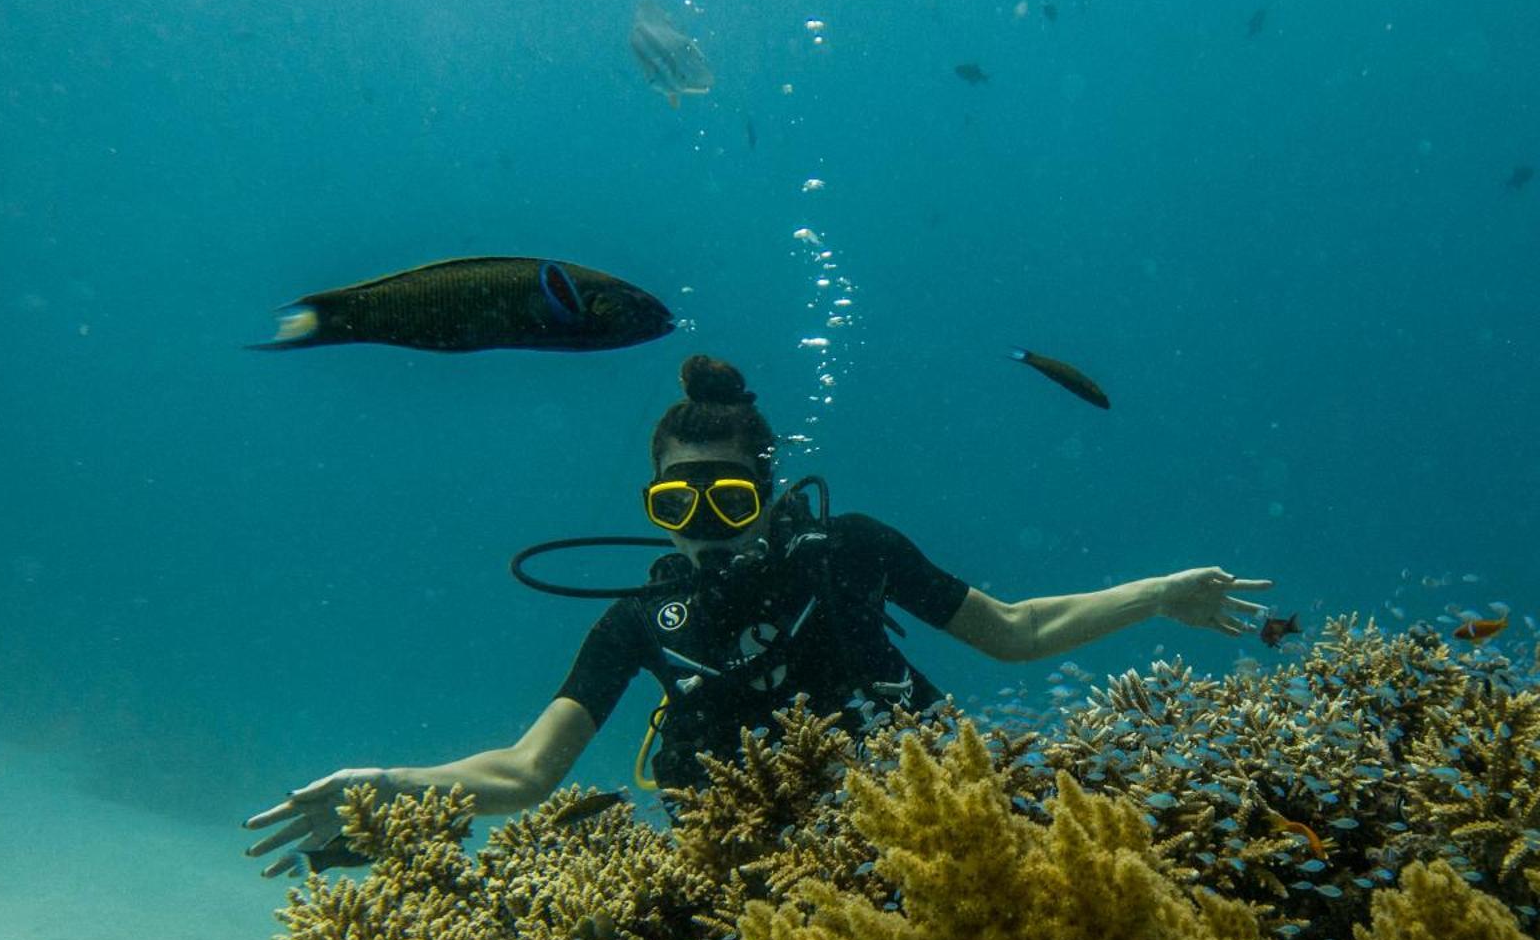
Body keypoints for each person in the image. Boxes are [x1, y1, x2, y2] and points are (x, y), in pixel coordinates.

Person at [245, 355, 1270, 877]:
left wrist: (1155, 593)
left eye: (728, 501)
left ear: (768, 495)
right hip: (749, 869)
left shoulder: (851, 546)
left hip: (939, 829)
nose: (704, 530)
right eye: (676, 505)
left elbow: (1011, 631)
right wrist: (395, 790)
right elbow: (525, 771)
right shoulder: (640, 617)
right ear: (652, 506)